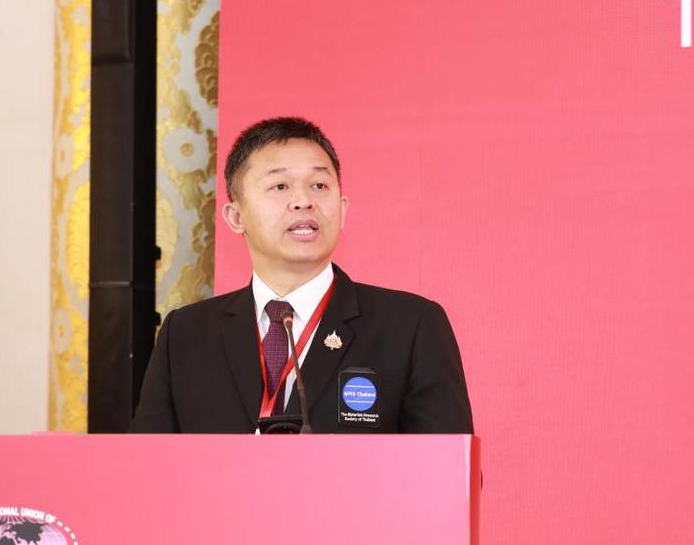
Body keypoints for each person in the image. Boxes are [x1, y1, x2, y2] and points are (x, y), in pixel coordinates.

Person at [130, 116, 473, 433]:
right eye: (280, 186)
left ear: (342, 209)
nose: (303, 201)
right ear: (236, 217)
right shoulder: (186, 335)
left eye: (319, 185)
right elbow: (146, 466)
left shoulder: (409, 326)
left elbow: (451, 470)